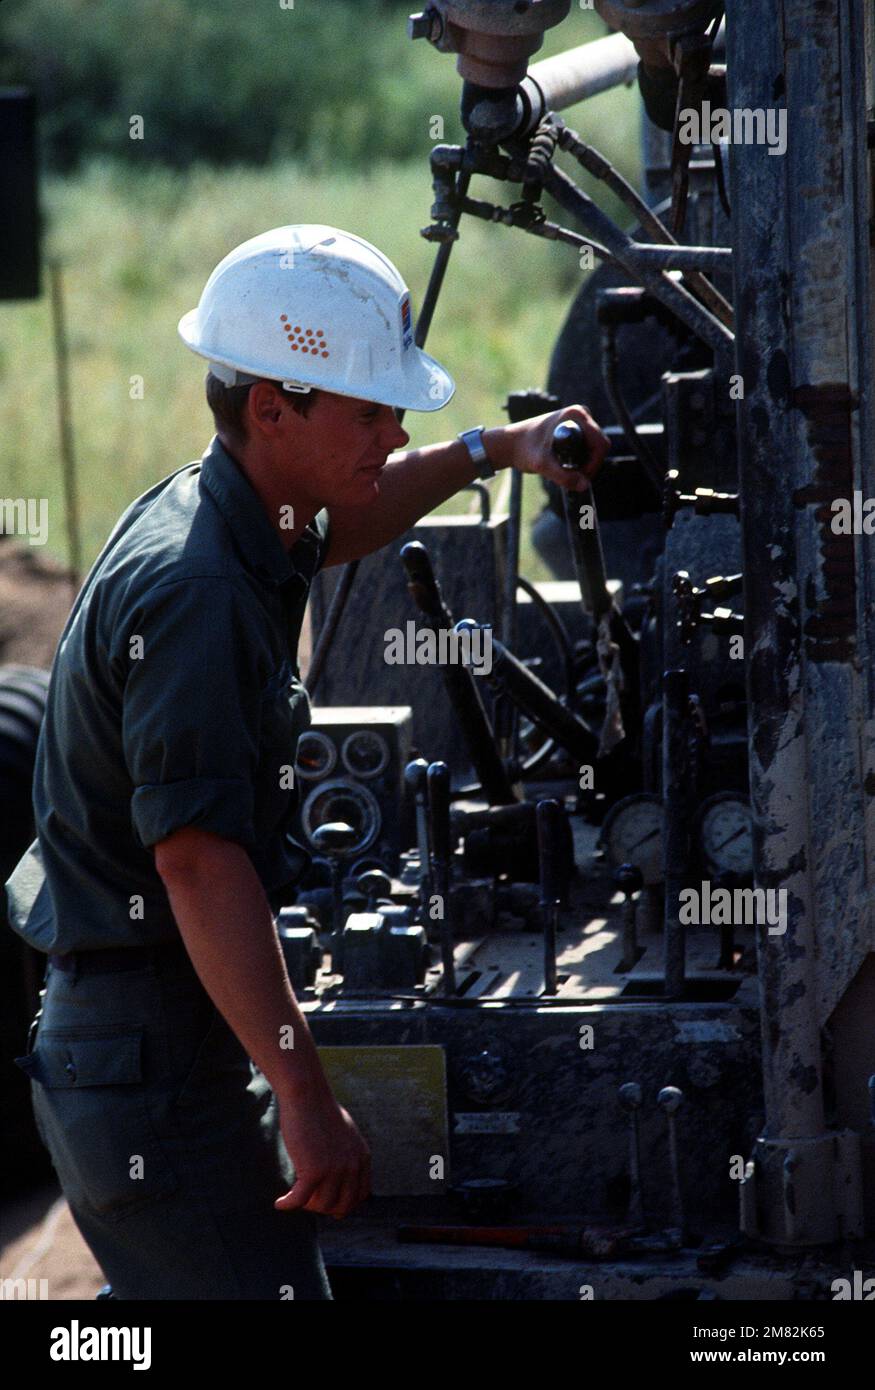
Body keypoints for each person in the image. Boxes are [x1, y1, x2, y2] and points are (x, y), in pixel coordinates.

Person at [4, 225, 607, 1299]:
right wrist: (305, 1093)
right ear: (272, 408)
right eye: (370, 410)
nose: (392, 429)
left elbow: (349, 520)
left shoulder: (237, 508)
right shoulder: (194, 594)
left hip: (152, 1045)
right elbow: (197, 864)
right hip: (146, 1064)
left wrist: (489, 450)